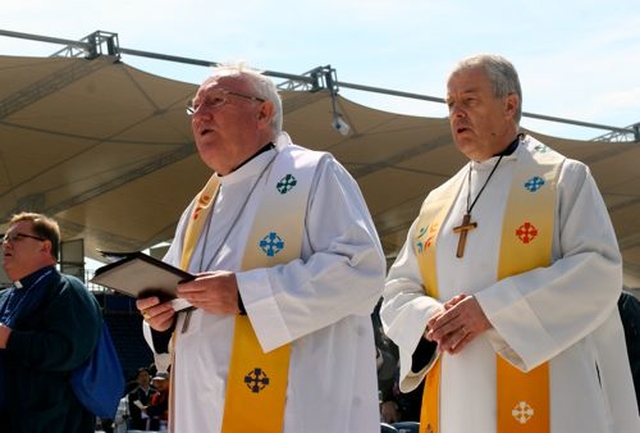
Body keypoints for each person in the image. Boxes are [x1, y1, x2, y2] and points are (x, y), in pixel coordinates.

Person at [381, 54, 640, 433]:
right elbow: (398, 289)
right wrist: (431, 319)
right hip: (456, 395)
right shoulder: (440, 201)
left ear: (510, 105)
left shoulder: (563, 180)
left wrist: (492, 311)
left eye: (469, 100)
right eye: (450, 104)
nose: (457, 114)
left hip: (546, 393)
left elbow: (597, 270)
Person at [136, 63, 385, 433]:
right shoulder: (199, 208)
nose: (199, 115)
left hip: (293, 406)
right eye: (194, 107)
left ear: (263, 111)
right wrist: (158, 319)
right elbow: (177, 293)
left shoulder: (313, 173)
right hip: (201, 407)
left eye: (215, 101)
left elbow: (360, 270)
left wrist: (246, 296)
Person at [0, 212, 102, 433]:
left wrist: (9, 338)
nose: (6, 243)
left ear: (45, 247)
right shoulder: (5, 296)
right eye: (5, 239)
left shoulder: (68, 289)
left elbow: (69, 350)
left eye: (16, 237)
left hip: (53, 423)